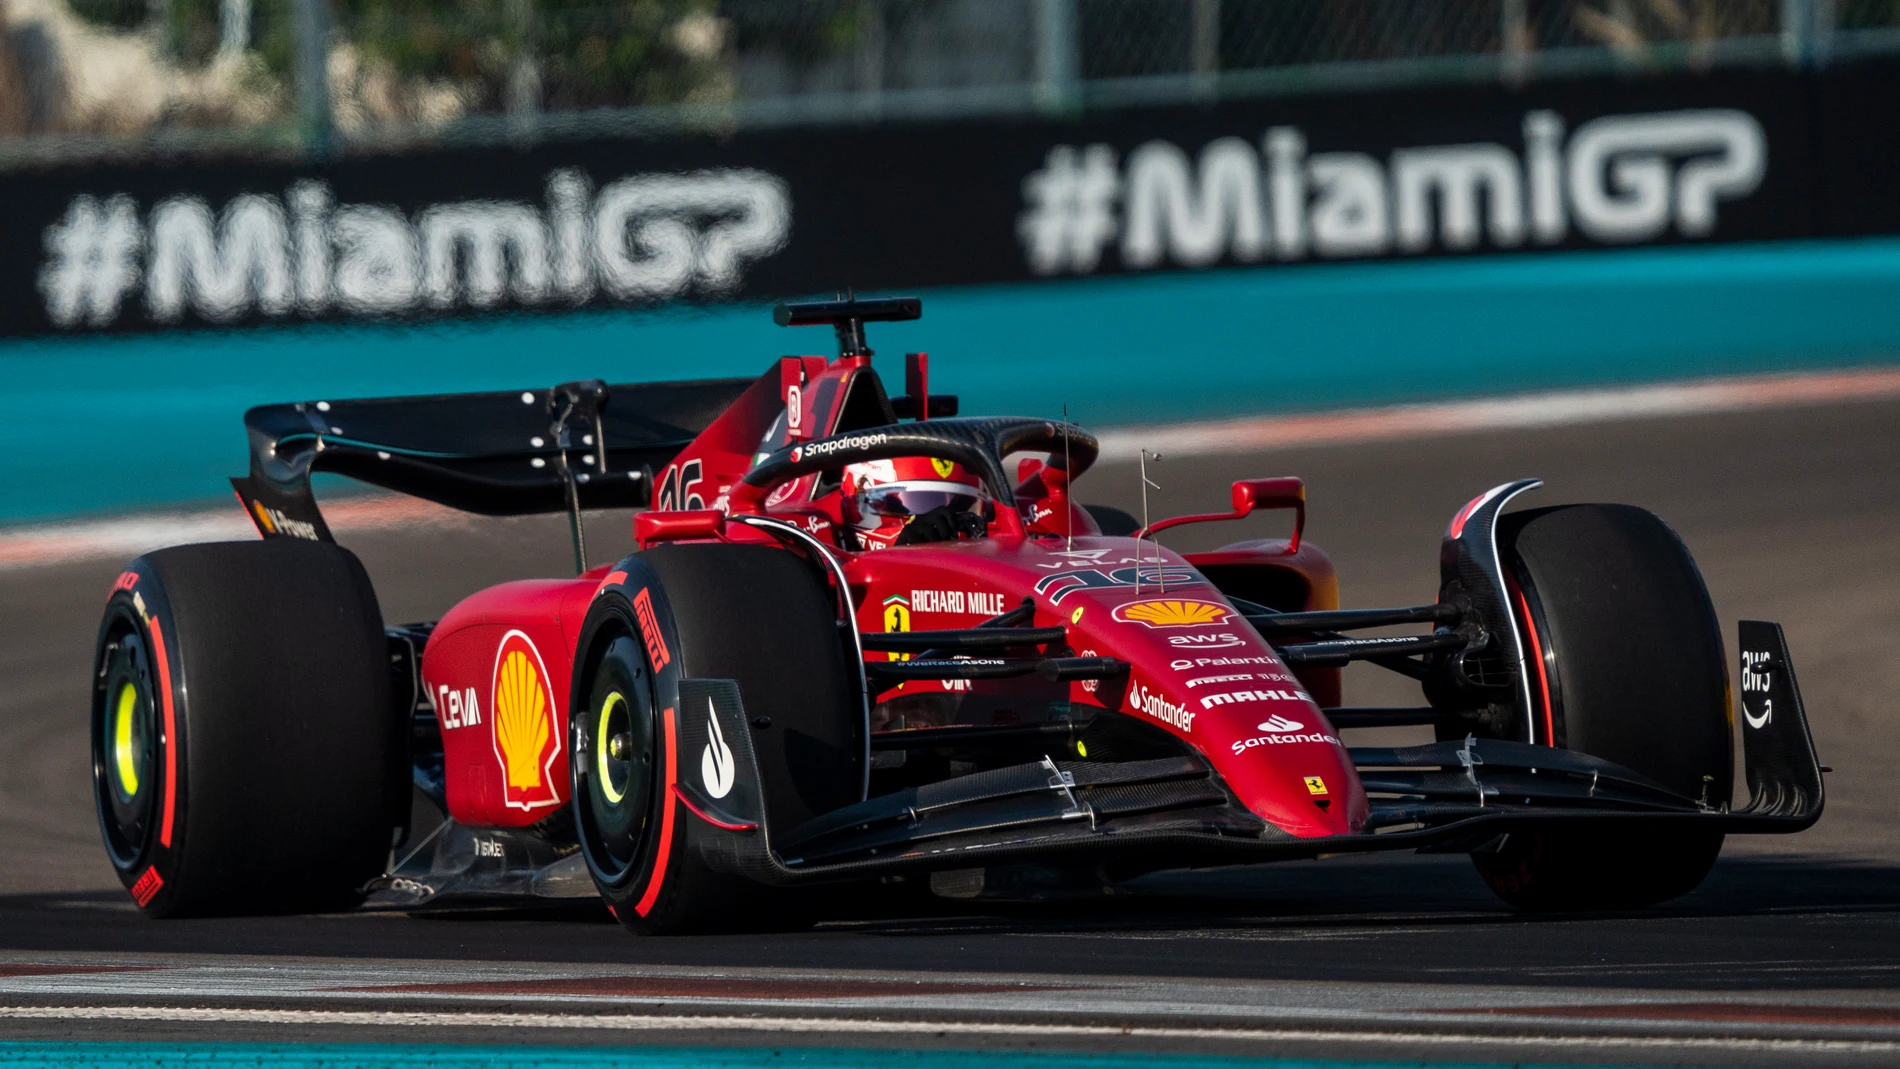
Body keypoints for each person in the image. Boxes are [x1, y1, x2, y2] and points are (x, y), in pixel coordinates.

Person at [841, 456, 989, 549]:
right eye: (922, 502)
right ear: (865, 500)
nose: (945, 521)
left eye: (958, 508)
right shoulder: (825, 561)